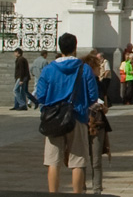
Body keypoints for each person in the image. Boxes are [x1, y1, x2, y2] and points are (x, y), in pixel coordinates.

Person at [35, 32, 100, 194]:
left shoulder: (49, 69)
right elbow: (93, 96)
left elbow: (40, 95)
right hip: (77, 116)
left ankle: (53, 193)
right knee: (78, 160)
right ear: (75, 48)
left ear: (60, 47)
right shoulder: (84, 69)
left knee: (53, 161)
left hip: (53, 118)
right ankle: (77, 193)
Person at [82, 50, 112, 196]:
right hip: (94, 122)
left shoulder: (92, 82)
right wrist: (101, 106)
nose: (100, 69)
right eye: (98, 66)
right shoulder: (93, 82)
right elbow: (97, 101)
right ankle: (95, 189)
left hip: (87, 122)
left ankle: (85, 188)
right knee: (95, 159)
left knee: (86, 160)